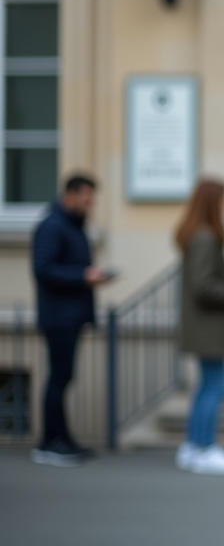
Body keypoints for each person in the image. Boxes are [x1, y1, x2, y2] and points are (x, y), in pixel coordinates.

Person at [30, 173, 115, 466]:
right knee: (58, 378)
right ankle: (51, 442)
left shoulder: (71, 226)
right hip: (59, 317)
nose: (90, 205)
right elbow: (43, 268)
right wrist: (83, 275)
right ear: (70, 196)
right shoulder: (53, 226)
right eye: (86, 198)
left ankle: (60, 438)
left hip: (70, 316)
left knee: (63, 378)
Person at [174, 178, 224, 476]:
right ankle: (204, 447)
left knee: (207, 386)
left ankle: (195, 446)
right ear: (213, 202)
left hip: (203, 325)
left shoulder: (198, 234)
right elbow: (204, 286)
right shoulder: (205, 237)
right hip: (209, 326)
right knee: (216, 386)